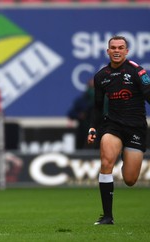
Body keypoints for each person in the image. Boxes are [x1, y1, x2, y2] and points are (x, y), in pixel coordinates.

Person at [87, 35, 150, 225]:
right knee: (106, 162)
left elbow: (148, 95)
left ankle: (127, 157)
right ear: (107, 51)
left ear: (126, 51)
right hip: (112, 125)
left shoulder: (137, 72)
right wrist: (93, 127)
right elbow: (98, 106)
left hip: (135, 127)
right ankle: (107, 216)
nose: (116, 50)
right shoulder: (101, 76)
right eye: (113, 47)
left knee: (130, 179)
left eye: (120, 47)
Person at [67, 79, 95, 150]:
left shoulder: (103, 100)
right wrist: (79, 115)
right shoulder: (81, 101)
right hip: (83, 129)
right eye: (91, 87)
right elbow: (71, 113)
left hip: (97, 129)